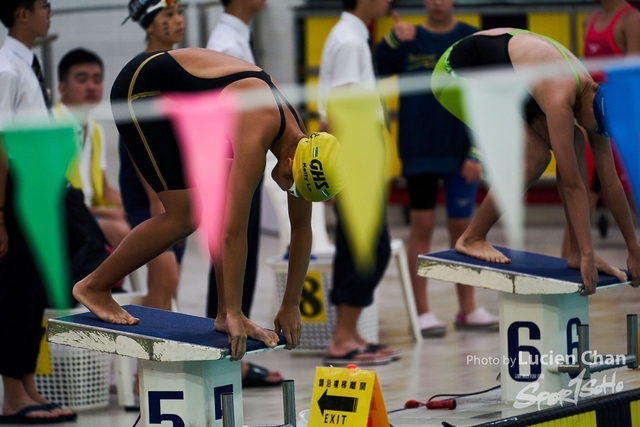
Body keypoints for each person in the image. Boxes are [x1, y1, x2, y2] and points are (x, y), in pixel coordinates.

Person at [73, 47, 343, 362]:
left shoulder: (303, 145)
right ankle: (94, 286)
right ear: (288, 163)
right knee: (184, 216)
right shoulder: (259, 129)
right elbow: (231, 231)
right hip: (142, 89)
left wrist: (291, 303)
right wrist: (234, 310)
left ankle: (222, 311)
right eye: (294, 188)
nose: (292, 193)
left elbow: (301, 228)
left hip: (182, 100)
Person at [431, 28, 640, 295]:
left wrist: (634, 248)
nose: (598, 136)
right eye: (599, 130)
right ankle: (472, 238)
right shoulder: (560, 94)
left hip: (504, 76)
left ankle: (575, 252)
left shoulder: (596, 102)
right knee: (537, 155)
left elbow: (611, 183)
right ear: (593, 108)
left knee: (574, 139)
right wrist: (591, 253)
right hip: (455, 72)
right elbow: (572, 183)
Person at [374, 1, 498, 338]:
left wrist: (478, 150)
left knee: (464, 229)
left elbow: (485, 97)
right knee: (422, 226)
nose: (438, 3)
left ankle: (468, 308)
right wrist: (392, 41)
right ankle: (422, 312)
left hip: (461, 152)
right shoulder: (407, 37)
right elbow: (371, 68)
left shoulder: (471, 39)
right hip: (419, 151)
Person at [0, 0, 76, 423]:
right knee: (14, 294)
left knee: (31, 294)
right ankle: (12, 397)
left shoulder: (25, 63)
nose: (51, 11)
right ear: (21, 13)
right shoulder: (6, 68)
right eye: (44, 5)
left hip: (38, 192)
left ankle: (27, 386)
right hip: (16, 194)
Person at [317, 0, 400, 365]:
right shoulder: (350, 40)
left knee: (358, 245)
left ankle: (349, 334)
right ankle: (341, 338)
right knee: (369, 246)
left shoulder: (350, 35)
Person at [205, 0, 283, 387]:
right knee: (232, 246)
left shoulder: (237, 36)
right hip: (230, 157)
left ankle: (230, 326)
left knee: (239, 251)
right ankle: (223, 338)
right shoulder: (227, 41)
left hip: (236, 154)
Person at [119, 0, 186, 313]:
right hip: (151, 193)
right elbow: (139, 145)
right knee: (165, 276)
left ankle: (156, 362)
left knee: (170, 282)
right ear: (148, 25)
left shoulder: (172, 65)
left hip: (174, 193)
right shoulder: (144, 70)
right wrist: (159, 202)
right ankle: (143, 362)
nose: (178, 20)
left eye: (179, 12)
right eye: (168, 15)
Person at [560, 0, 640, 256]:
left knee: (629, 196)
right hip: (592, 122)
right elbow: (585, 75)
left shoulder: (631, 20)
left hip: (621, 123)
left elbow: (632, 80)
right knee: (581, 195)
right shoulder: (589, 21)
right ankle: (568, 264)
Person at [53, 48, 130, 250]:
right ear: (62, 88)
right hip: (65, 218)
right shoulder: (52, 127)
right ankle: (106, 282)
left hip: (89, 213)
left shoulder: (95, 128)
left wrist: (138, 205)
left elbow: (104, 189)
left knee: (145, 220)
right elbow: (58, 201)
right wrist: (108, 213)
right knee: (120, 230)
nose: (91, 86)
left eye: (97, 80)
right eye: (82, 79)